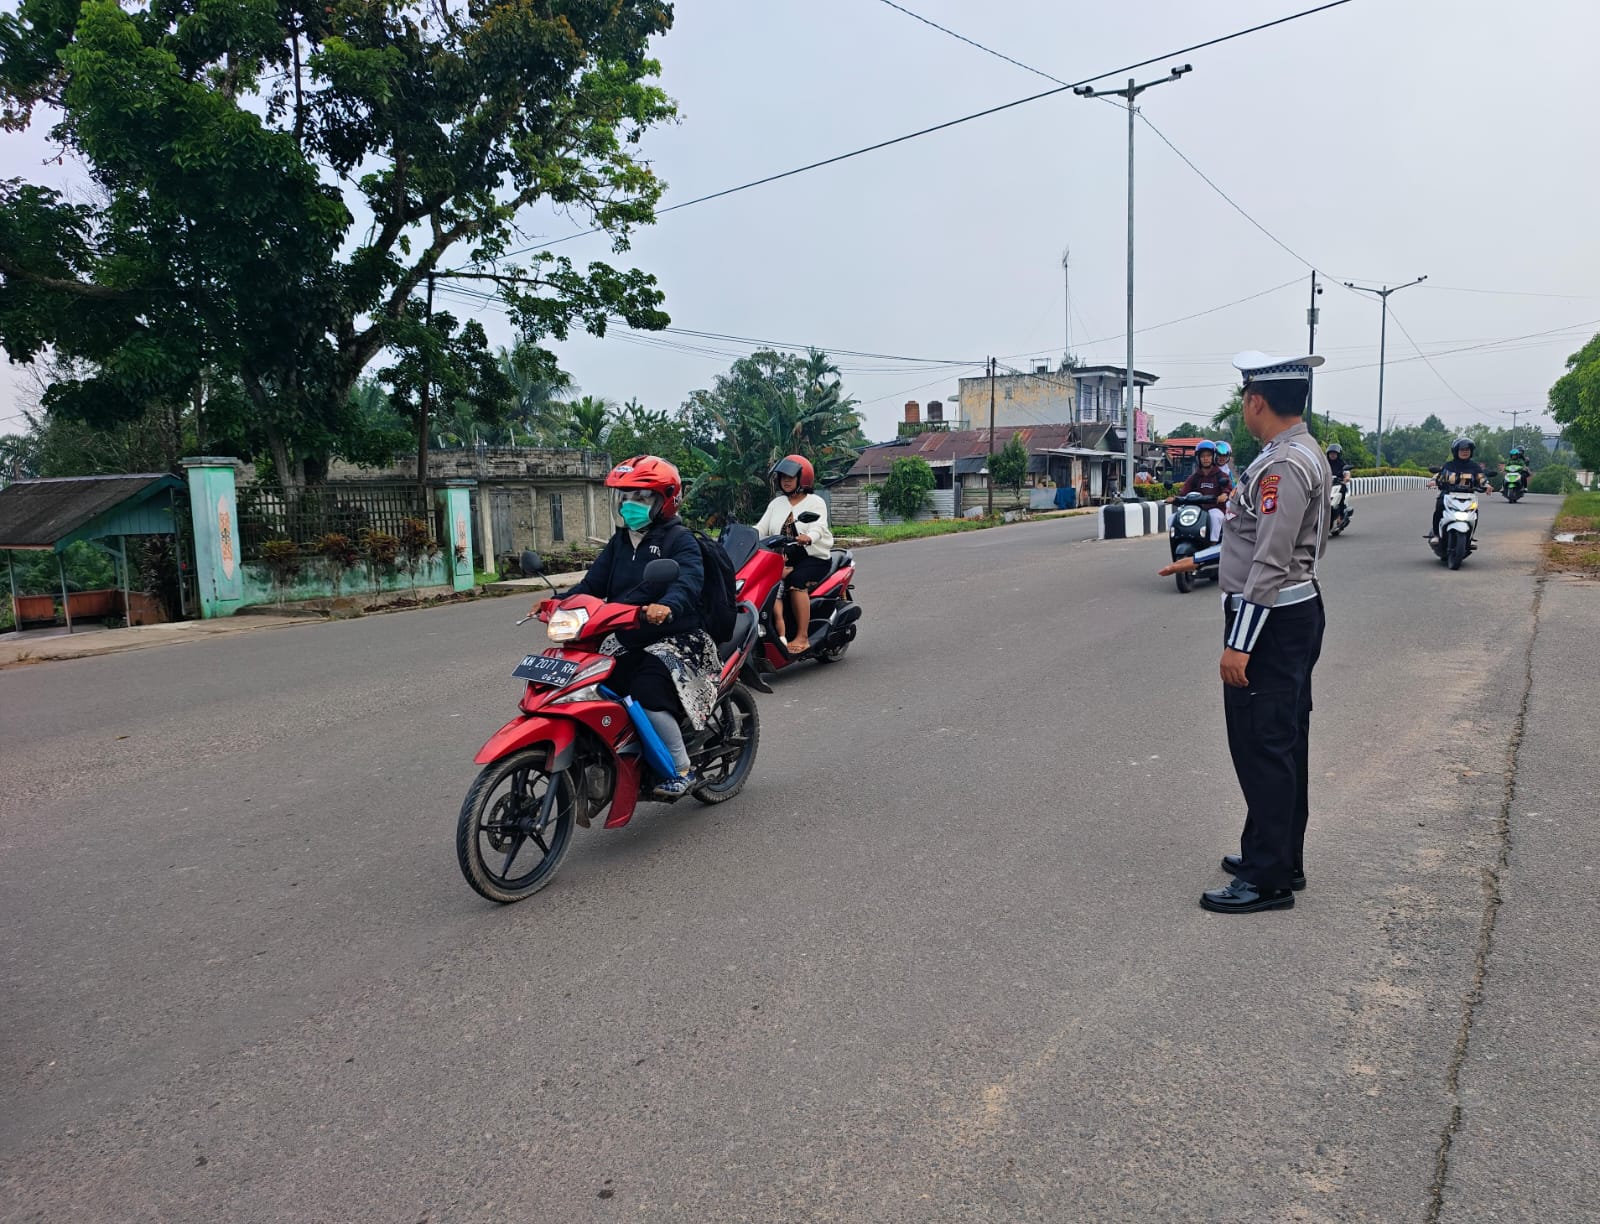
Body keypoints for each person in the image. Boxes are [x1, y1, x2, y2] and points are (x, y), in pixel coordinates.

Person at [1202, 351, 1331, 915]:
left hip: (1271, 620)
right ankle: (1277, 853)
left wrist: (1240, 642)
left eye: (1243, 398)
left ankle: (1268, 878)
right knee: (1283, 741)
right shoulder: (1302, 450)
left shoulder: (1280, 467)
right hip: (1292, 614)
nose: (1242, 407)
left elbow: (1272, 562)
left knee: (1263, 745)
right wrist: (1203, 559)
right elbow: (1256, 539)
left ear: (1256, 401)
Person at [566, 455, 719, 797]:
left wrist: (667, 606)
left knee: (646, 690)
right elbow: (592, 585)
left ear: (666, 500)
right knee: (593, 681)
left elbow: (689, 581)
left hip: (677, 636)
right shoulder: (621, 542)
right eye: (625, 497)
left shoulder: (679, 539)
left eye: (640, 497)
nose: (629, 505)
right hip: (630, 634)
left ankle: (681, 768)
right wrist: (559, 602)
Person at [754, 454, 834, 654]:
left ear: (803, 478)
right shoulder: (777, 503)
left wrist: (809, 537)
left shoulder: (815, 502)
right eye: (782, 477)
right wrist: (742, 535)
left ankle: (802, 636)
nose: (786, 481)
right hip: (781, 559)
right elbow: (761, 528)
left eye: (790, 477)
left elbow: (819, 526)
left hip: (812, 558)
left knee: (796, 581)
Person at [1169, 440, 1232, 542]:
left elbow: (1228, 489)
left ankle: (1212, 544)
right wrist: (1174, 499)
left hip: (1215, 507)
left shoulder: (1221, 475)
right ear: (1198, 458)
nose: (1205, 459)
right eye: (1202, 456)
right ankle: (1177, 542)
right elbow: (1184, 492)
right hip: (1197, 510)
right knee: (1173, 518)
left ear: (1213, 457)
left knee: (1215, 517)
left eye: (1208, 456)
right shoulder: (1194, 477)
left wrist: (1224, 495)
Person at [1429, 437, 1487, 544]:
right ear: (1456, 451)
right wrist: (1434, 481)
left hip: (1468, 496)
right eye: (1462, 450)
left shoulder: (1474, 467)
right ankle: (1436, 535)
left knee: (1475, 512)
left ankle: (1471, 536)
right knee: (1439, 507)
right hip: (1449, 494)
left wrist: (1487, 486)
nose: (1465, 452)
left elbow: (1481, 478)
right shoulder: (1449, 465)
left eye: (1467, 450)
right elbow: (1439, 475)